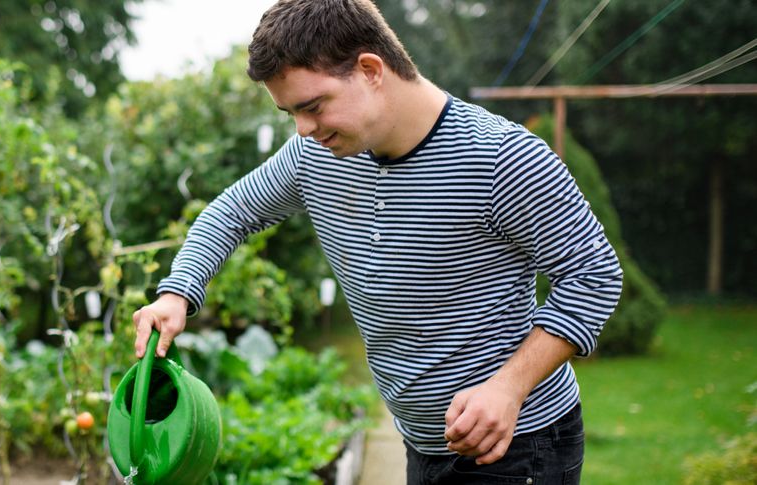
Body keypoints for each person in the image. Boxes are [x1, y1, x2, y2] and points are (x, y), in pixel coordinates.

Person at [131, 0, 623, 483]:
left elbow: (594, 274)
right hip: (422, 442)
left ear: (370, 70)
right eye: (290, 114)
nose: (303, 128)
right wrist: (178, 292)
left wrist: (509, 388)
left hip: (516, 444)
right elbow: (230, 212)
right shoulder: (314, 155)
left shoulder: (501, 157)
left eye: (312, 106)